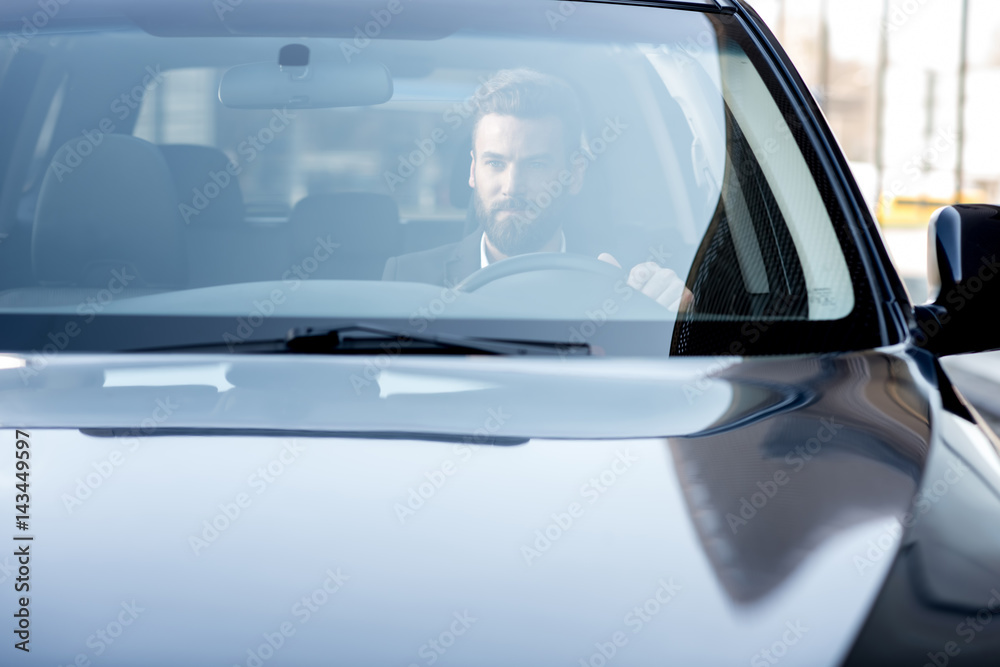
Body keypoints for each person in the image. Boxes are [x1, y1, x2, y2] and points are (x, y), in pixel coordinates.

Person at [382, 68, 693, 312]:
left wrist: (674, 319)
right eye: (495, 163)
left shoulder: (624, 281)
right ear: (473, 170)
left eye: (536, 165)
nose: (512, 187)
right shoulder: (410, 280)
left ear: (574, 174)